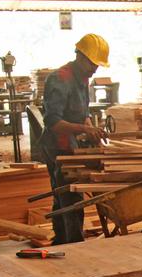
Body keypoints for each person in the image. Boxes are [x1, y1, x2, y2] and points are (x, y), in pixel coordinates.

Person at [41, 34, 110, 244]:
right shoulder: (60, 78)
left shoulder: (83, 79)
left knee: (63, 196)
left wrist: (90, 127)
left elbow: (83, 112)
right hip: (58, 147)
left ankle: (61, 240)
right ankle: (73, 245)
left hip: (72, 145)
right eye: (92, 63)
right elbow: (52, 122)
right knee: (70, 198)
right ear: (79, 55)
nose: (95, 69)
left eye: (98, 64)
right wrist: (83, 129)